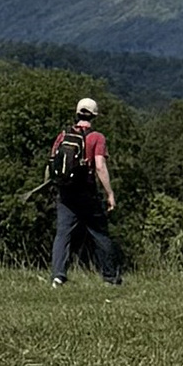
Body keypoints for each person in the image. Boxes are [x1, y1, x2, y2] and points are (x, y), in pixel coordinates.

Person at [47, 96, 120, 284]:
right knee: (100, 233)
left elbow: (52, 161)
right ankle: (110, 277)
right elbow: (100, 166)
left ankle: (58, 276)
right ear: (94, 115)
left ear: (77, 113)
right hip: (86, 192)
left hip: (65, 192)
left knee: (63, 234)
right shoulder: (97, 137)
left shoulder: (63, 135)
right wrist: (110, 193)